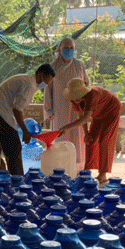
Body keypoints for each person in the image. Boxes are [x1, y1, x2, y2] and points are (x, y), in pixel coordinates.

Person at [0, 64, 55, 175]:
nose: (46, 84)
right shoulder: (29, 85)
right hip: (1, 112)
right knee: (14, 149)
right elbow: (17, 109)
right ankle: (17, 182)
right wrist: (25, 131)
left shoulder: (27, 80)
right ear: (41, 75)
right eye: (47, 81)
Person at [59, 78, 121, 186]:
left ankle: (103, 174)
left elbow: (85, 118)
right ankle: (86, 171)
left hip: (112, 110)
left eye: (78, 95)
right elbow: (81, 116)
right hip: (98, 114)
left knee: (104, 140)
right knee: (90, 140)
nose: (76, 99)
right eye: (74, 95)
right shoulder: (73, 99)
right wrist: (86, 134)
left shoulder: (92, 95)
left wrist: (67, 127)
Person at [44, 37, 90, 171]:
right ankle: (60, 168)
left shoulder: (79, 65)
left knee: (77, 137)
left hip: (78, 107)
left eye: (71, 48)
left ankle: (78, 168)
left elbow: (86, 83)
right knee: (61, 135)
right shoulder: (52, 67)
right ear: (59, 49)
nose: (69, 50)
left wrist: (86, 105)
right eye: (66, 47)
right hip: (59, 106)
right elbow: (48, 89)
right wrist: (49, 110)